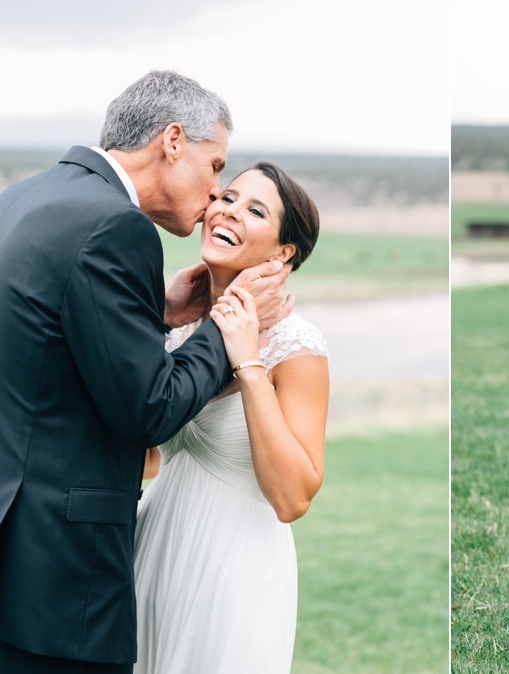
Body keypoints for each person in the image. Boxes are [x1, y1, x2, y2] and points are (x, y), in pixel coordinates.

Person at [0, 71, 291, 673]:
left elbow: (36, 338)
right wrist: (226, 324)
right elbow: (148, 408)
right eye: (216, 168)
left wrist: (151, 311)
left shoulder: (24, 198)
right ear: (174, 141)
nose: (216, 195)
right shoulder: (118, 225)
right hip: (61, 577)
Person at [133, 162, 328, 674]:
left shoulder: (297, 346)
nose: (229, 211)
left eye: (256, 210)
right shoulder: (179, 332)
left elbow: (293, 497)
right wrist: (160, 320)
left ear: (284, 252)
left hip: (235, 568)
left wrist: (247, 360)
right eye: (228, 197)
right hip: (152, 546)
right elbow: (147, 456)